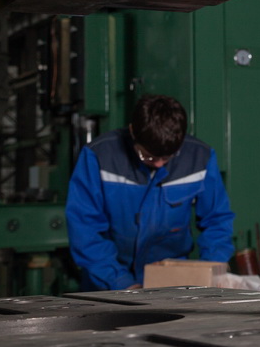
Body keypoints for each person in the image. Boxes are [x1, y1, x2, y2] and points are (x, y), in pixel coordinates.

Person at [66, 94, 234, 290]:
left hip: (173, 281)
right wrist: (122, 283)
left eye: (168, 157)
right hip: (108, 280)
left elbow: (217, 221)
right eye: (148, 156)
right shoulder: (98, 157)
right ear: (132, 132)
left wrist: (210, 272)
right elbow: (84, 228)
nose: (159, 164)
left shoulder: (200, 158)